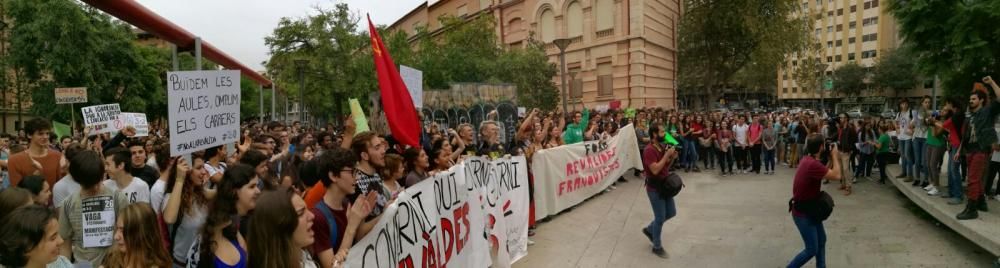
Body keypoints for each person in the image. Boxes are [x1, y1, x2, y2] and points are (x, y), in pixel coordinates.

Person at [310, 148, 378, 268]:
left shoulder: (346, 203)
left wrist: (362, 218)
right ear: (333, 176)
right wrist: (352, 226)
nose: (357, 178)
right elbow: (332, 266)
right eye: (352, 172)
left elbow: (359, 241)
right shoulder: (318, 217)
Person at [59, 150, 129, 265]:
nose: (95, 187)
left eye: (97, 181)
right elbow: (65, 244)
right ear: (77, 180)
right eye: (88, 184)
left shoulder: (118, 199)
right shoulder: (68, 204)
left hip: (114, 264)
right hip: (83, 264)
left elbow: (128, 236)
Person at [186, 164, 260, 268]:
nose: (258, 191)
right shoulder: (218, 229)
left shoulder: (237, 221)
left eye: (257, 185)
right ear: (235, 191)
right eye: (252, 186)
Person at [787, 134, 842, 268]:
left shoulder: (808, 159)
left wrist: (829, 158)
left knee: (821, 240)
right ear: (821, 147)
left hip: (810, 209)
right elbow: (837, 175)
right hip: (803, 213)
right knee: (811, 249)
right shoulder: (811, 164)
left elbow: (824, 171)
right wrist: (834, 155)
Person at [954, 78, 1000, 220]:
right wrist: (958, 151)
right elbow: (965, 136)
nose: (971, 101)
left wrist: (991, 82)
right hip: (970, 151)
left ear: (981, 100)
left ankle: (972, 209)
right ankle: (981, 202)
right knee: (976, 179)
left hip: (981, 150)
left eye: (974, 99)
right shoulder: (970, 116)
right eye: (970, 99)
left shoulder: (988, 111)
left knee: (972, 179)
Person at [247, 188, 319, 268]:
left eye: (307, 209)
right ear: (280, 227)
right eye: (301, 213)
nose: (312, 216)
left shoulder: (301, 253)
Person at [163, 156, 213, 268]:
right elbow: (169, 218)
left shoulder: (200, 194)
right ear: (186, 170)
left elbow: (222, 191)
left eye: (204, 167)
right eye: (199, 168)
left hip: (202, 262)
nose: (204, 172)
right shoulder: (171, 198)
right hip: (181, 264)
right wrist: (180, 179)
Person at [640, 125, 678, 259]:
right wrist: (667, 155)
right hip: (655, 189)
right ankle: (657, 246)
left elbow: (665, 166)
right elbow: (655, 170)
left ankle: (650, 229)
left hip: (665, 186)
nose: (665, 133)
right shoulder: (649, 150)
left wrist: (671, 157)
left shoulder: (661, 146)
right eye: (662, 132)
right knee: (660, 218)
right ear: (654, 134)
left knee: (672, 212)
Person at [0, 205, 73, 268]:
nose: (61, 241)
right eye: (53, 238)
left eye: (58, 234)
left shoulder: (62, 263)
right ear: (27, 246)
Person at [103, 203, 171, 268]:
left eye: (123, 231)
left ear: (141, 234)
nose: (116, 237)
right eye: (117, 229)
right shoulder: (112, 257)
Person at [7, 118, 63, 192]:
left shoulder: (57, 156)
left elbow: (61, 185)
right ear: (29, 135)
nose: (45, 137)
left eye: (47, 133)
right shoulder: (14, 160)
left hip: (55, 202)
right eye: (40, 134)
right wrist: (35, 177)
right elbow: (18, 192)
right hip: (29, 202)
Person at [939, 98, 966, 204]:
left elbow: (944, 125)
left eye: (946, 104)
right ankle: (951, 191)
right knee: (950, 170)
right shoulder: (955, 114)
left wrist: (933, 121)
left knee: (954, 170)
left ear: (951, 104)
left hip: (957, 145)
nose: (945, 106)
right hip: (952, 144)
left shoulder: (957, 115)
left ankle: (958, 195)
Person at [52, 143, 85, 211]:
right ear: (67, 162)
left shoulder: (93, 180)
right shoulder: (60, 187)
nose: (79, 166)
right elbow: (61, 217)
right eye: (75, 163)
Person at [835, 113, 858, 195]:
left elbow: (855, 139)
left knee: (846, 169)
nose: (841, 119)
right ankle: (843, 184)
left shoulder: (850, 128)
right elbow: (838, 137)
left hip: (846, 152)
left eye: (843, 117)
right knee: (841, 169)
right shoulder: (841, 128)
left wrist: (851, 149)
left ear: (847, 118)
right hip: (840, 150)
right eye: (840, 117)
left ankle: (848, 187)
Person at [896, 99, 916, 182]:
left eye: (905, 104)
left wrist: (912, 129)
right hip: (901, 137)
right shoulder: (899, 113)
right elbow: (896, 122)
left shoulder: (912, 112)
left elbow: (917, 123)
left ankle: (910, 175)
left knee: (908, 155)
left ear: (908, 104)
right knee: (903, 155)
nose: (903, 105)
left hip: (908, 137)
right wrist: (897, 128)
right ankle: (904, 172)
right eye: (902, 104)